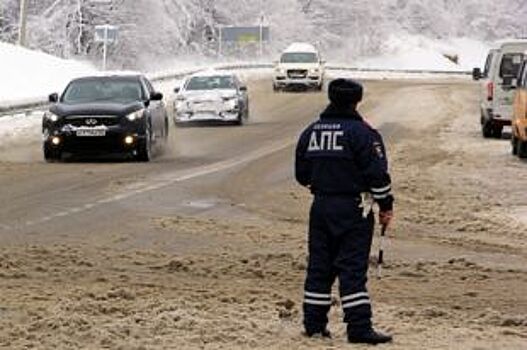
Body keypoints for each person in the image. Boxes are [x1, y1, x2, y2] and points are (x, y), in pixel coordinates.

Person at [294, 78, 394, 344]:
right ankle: (359, 328)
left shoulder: (311, 131)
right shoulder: (363, 134)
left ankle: (314, 325)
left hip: (321, 207)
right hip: (354, 209)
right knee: (351, 269)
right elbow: (378, 176)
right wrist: (386, 206)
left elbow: (301, 175)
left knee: (319, 268)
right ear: (357, 100)